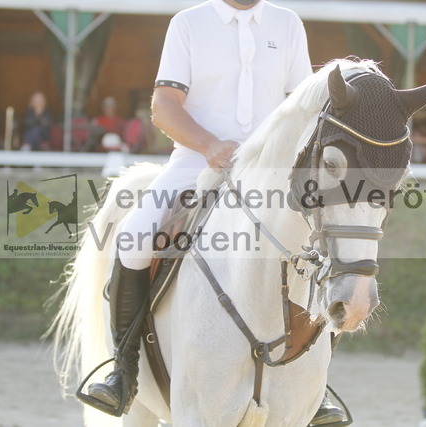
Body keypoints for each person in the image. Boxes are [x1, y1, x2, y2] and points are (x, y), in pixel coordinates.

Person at [83, 0, 346, 423]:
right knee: (133, 239)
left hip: (270, 173)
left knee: (326, 251)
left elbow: (304, 108)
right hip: (196, 162)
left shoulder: (287, 24)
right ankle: (124, 368)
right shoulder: (189, 23)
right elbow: (164, 106)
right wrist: (209, 146)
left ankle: (318, 385)